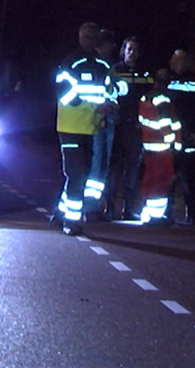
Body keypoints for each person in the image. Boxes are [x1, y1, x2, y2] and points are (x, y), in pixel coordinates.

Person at [54, 21, 116, 236]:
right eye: (87, 36)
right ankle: (71, 222)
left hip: (91, 128)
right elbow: (64, 94)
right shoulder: (70, 63)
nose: (91, 40)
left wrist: (110, 102)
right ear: (80, 38)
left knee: (81, 174)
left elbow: (110, 90)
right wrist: (94, 106)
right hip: (70, 127)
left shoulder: (103, 65)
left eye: (94, 36)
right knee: (77, 175)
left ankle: (60, 214)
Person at [108, 36, 152, 220]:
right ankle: (109, 208)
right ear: (123, 51)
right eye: (129, 49)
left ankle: (130, 209)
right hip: (118, 126)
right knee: (114, 168)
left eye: (135, 49)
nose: (132, 53)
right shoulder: (115, 72)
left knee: (133, 169)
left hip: (135, 127)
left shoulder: (145, 75)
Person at [168, 49, 195, 225]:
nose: (179, 64)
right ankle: (186, 213)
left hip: (179, 136)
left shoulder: (170, 83)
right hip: (179, 136)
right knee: (182, 175)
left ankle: (186, 211)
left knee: (182, 175)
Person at [87, 29, 123, 220]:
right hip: (95, 121)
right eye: (109, 44)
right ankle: (90, 207)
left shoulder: (108, 67)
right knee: (95, 165)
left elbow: (115, 89)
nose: (112, 48)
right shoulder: (93, 66)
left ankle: (94, 207)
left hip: (107, 120)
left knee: (102, 166)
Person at [137, 68, 180, 225]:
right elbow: (165, 123)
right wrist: (172, 143)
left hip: (148, 145)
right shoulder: (162, 99)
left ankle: (147, 212)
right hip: (162, 147)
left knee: (150, 179)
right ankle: (156, 216)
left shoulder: (145, 97)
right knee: (161, 181)